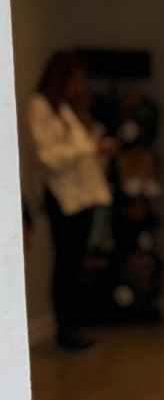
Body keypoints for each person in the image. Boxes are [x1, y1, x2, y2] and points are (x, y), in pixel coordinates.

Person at [27, 51, 113, 351]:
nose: (79, 87)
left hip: (84, 195)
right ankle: (67, 332)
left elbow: (81, 147)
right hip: (61, 197)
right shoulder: (38, 107)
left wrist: (93, 147)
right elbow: (49, 157)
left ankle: (75, 327)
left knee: (77, 264)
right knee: (66, 265)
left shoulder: (65, 109)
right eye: (75, 80)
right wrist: (87, 149)